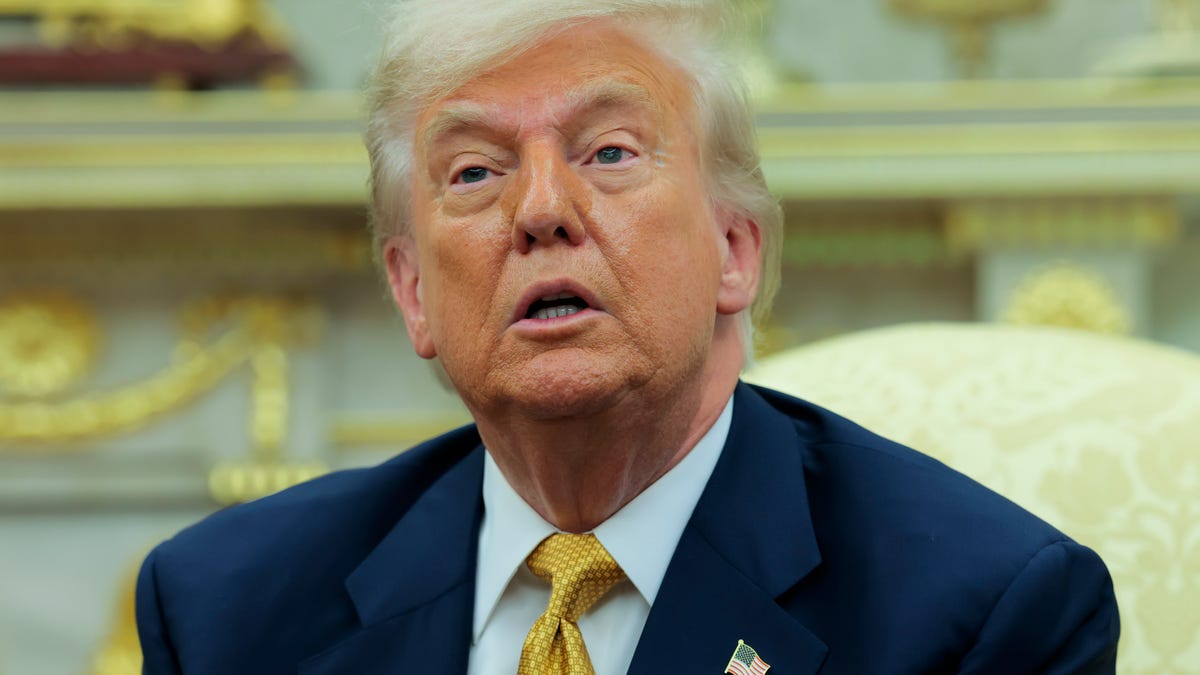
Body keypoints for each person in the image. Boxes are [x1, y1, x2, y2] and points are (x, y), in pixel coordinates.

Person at [135, 0, 1120, 673]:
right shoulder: (228, 610)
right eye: (474, 172)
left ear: (736, 250)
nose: (541, 209)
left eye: (609, 152)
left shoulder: (981, 616)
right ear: (413, 293)